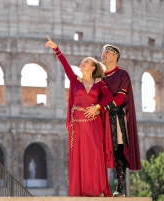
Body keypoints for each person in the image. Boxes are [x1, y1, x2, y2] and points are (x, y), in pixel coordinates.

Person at [45, 36, 114, 197]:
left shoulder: (99, 84)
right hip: (78, 126)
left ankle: (98, 190)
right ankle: (81, 192)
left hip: (94, 125)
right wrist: (56, 49)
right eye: (83, 61)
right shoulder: (75, 81)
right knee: (80, 159)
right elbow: (66, 65)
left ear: (93, 67)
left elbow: (109, 98)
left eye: (86, 62)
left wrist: (98, 107)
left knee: (95, 156)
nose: (82, 63)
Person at [87, 44, 141, 197]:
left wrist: (100, 108)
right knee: (97, 152)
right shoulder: (99, 76)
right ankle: (97, 187)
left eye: (107, 52)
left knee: (118, 151)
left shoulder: (123, 75)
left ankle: (120, 187)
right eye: (103, 52)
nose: (103, 55)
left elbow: (120, 98)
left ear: (115, 56)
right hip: (99, 118)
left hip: (116, 116)